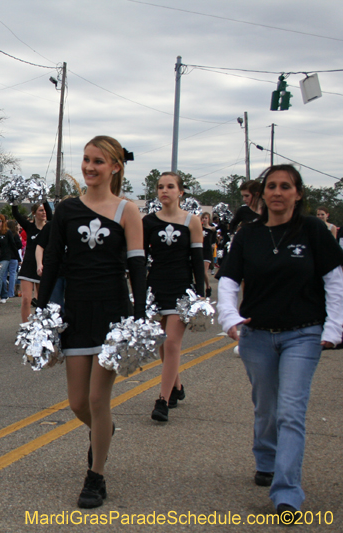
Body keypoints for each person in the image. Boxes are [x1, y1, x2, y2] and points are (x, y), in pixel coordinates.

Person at [217, 165, 343, 518]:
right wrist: (229, 318)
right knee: (266, 406)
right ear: (263, 194)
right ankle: (266, 456)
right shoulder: (247, 235)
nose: (277, 192)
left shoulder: (314, 231)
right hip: (256, 336)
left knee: (291, 411)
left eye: (285, 186)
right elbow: (227, 282)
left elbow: (335, 281)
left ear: (298, 193)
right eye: (271, 186)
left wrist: (335, 328)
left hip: (303, 334)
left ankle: (287, 491)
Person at [37, 136, 145, 509]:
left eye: (98, 161)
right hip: (76, 311)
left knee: (99, 399)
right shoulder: (66, 210)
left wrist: (140, 315)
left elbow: (137, 266)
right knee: (77, 402)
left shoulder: (127, 211)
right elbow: (52, 260)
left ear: (114, 167)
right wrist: (41, 308)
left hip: (113, 312)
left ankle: (96, 475)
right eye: (86, 160)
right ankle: (105, 432)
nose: (89, 167)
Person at [142, 174, 205, 423]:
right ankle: (177, 387)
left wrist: (199, 294)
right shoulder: (147, 222)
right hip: (156, 287)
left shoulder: (192, 221)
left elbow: (198, 262)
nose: (164, 190)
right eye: (160, 187)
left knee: (171, 344)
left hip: (181, 288)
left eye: (170, 186)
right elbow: (139, 258)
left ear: (180, 192)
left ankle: (162, 400)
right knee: (160, 340)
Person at [13, 202, 52, 322]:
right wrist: (14, 200)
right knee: (26, 299)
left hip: (44, 267)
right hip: (29, 266)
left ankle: (41, 327)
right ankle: (26, 327)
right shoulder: (30, 227)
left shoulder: (50, 227)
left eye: (45, 210)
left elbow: (50, 214)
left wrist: (44, 198)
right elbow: (16, 214)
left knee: (42, 300)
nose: (44, 212)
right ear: (34, 213)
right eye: (40, 210)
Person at [3, 220, 23, 300]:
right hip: (14, 256)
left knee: (3, 275)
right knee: (12, 275)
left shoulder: (5, 234)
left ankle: (3, 291)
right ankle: (11, 292)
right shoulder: (15, 235)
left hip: (5, 256)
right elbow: (19, 245)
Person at [200, 212, 215, 296]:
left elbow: (213, 242)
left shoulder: (212, 230)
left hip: (207, 252)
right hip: (200, 251)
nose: (204, 219)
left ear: (209, 219)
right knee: (199, 270)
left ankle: (208, 287)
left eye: (206, 218)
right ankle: (201, 288)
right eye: (203, 218)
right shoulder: (199, 228)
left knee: (204, 271)